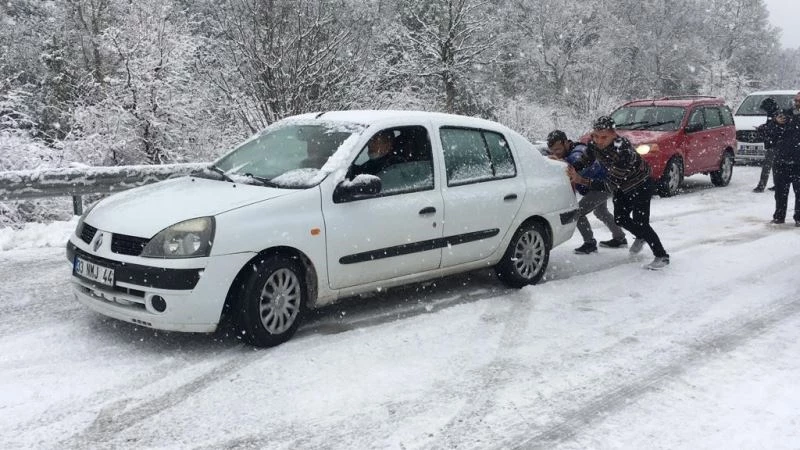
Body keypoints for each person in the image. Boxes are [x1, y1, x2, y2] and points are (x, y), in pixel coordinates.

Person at [567, 116, 670, 270]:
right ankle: (640, 236)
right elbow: (586, 159)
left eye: (604, 137)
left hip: (641, 184)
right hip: (623, 186)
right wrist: (570, 166)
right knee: (620, 218)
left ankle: (662, 256)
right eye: (595, 136)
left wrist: (580, 180)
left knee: (642, 222)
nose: (599, 141)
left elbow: (609, 185)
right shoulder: (594, 144)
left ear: (614, 135)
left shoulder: (623, 152)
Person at [546, 129, 627, 255]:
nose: (556, 153)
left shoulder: (578, 152)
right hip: (598, 184)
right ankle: (620, 238)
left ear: (566, 143)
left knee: (578, 213)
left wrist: (561, 163)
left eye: (558, 149)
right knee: (601, 211)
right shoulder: (568, 152)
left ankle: (590, 243)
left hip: (601, 186)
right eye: (553, 150)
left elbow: (576, 165)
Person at [768, 92, 800, 226]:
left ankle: (799, 218)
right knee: (780, 191)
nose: (797, 103)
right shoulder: (785, 114)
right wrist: (775, 122)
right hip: (782, 159)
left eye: (799, 101)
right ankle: (779, 216)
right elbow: (768, 131)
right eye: (796, 101)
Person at [753, 97, 780, 192]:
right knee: (775, 166)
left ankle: (761, 186)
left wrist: (762, 129)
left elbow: (773, 129)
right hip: (774, 143)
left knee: (767, 166)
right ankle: (777, 184)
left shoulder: (775, 116)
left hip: (774, 144)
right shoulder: (774, 114)